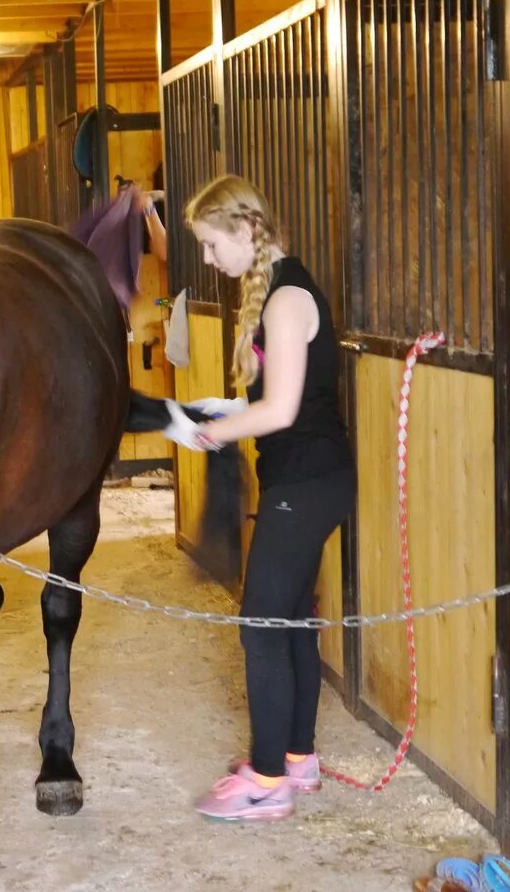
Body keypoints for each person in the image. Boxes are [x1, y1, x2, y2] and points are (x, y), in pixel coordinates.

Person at [160, 174, 356, 823]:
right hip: (306, 478)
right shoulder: (278, 291)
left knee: (262, 628)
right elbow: (275, 400)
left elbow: (283, 409)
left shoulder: (286, 297)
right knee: (291, 620)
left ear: (244, 231)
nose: (210, 261)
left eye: (213, 246)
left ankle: (266, 779)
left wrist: (210, 432)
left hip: (305, 482)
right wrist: (225, 408)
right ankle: (297, 759)